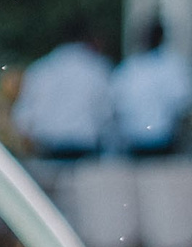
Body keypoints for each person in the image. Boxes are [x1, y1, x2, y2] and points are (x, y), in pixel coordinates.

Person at [12, 21, 116, 159]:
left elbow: (22, 118)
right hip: (86, 153)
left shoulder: (40, 69)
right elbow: (108, 115)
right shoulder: (98, 69)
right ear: (90, 39)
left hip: (48, 152)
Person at [111, 19, 192, 157]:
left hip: (163, 142)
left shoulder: (172, 66)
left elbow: (183, 108)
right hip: (134, 142)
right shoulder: (130, 67)